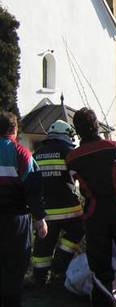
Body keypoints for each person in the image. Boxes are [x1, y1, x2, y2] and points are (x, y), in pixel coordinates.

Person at [66, 108, 116, 307]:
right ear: (97, 125)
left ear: (77, 130)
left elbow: (73, 186)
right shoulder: (115, 148)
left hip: (94, 213)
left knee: (99, 261)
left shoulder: (73, 158)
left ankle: (104, 299)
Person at [0, 111, 48, 307]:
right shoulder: (22, 154)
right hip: (16, 219)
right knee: (16, 266)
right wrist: (40, 218)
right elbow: (33, 189)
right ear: (15, 129)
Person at [31, 120, 84, 286]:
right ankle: (59, 266)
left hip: (44, 212)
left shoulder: (37, 153)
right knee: (77, 232)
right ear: (67, 135)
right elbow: (80, 178)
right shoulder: (69, 152)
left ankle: (39, 278)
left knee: (43, 245)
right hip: (70, 210)